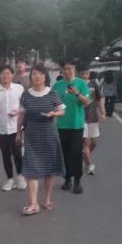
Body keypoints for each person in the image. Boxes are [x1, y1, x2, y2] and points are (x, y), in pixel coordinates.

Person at [16, 64, 65, 215]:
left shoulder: (52, 93)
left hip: (48, 134)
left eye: (41, 74)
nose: (37, 76)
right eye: (34, 74)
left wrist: (53, 114)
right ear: (31, 77)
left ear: (45, 77)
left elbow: (62, 110)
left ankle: (47, 199)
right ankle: (33, 203)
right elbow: (21, 114)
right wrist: (18, 133)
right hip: (31, 134)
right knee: (31, 169)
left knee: (49, 169)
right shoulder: (26, 95)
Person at [52, 59, 91, 194]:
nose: (67, 71)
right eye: (65, 69)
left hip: (77, 125)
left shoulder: (81, 83)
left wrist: (77, 93)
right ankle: (67, 179)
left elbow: (87, 102)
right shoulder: (57, 86)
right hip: (62, 125)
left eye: (70, 68)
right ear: (62, 70)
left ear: (74, 68)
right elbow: (52, 103)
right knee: (65, 153)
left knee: (76, 153)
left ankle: (77, 181)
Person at [0, 65, 26, 191]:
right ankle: (10, 179)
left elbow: (24, 105)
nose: (5, 75)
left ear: (12, 75)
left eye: (8, 73)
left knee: (17, 153)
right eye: (3, 73)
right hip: (1, 128)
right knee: (5, 155)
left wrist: (17, 111)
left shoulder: (19, 88)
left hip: (16, 128)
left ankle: (20, 176)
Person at [80, 68, 106, 176]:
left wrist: (103, 113)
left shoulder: (93, 84)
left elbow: (100, 99)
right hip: (81, 117)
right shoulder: (77, 85)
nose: (85, 75)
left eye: (86, 73)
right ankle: (90, 165)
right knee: (86, 143)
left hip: (93, 116)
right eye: (83, 73)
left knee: (93, 143)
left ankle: (85, 156)